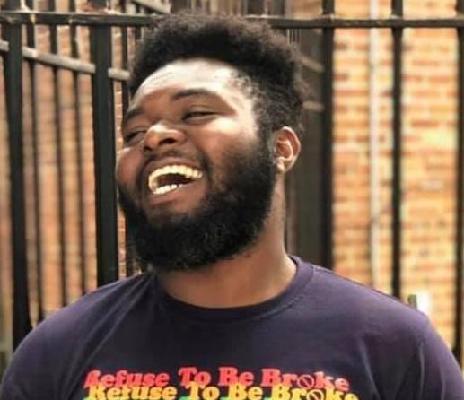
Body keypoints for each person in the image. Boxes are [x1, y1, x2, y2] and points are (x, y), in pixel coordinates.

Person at [1, 12, 463, 400]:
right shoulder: (58, 352)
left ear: (281, 148)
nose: (154, 137)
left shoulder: (394, 348)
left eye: (197, 113)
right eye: (134, 132)